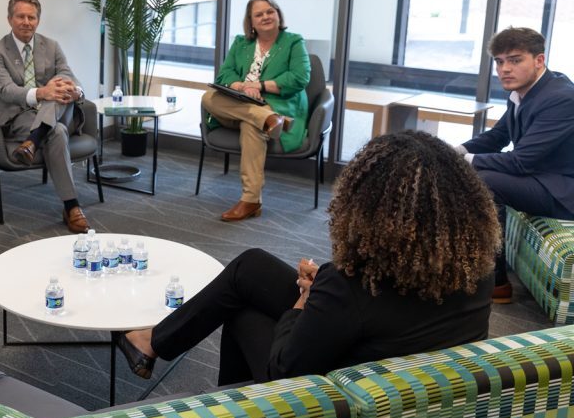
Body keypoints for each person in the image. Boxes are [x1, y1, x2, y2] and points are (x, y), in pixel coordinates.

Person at [117, 131, 498, 387]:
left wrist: (305, 302)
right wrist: (325, 290)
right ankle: (153, 341)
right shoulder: (476, 268)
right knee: (250, 268)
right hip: (397, 367)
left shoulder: (349, 286)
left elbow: (285, 369)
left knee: (241, 310)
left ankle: (238, 412)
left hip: (334, 395)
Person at [457, 27, 574, 303]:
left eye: (515, 60)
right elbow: (498, 136)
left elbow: (521, 161)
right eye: (499, 61)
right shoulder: (524, 91)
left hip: (563, 190)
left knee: (484, 180)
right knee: (475, 171)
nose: (505, 69)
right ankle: (472, 260)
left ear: (539, 60)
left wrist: (464, 160)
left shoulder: (561, 98)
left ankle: (495, 281)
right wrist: (455, 150)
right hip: (543, 178)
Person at [0, 0, 91, 233]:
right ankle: (72, 207)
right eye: (20, 16)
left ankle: (31, 143)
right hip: (18, 117)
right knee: (59, 131)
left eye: (31, 17)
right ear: (9, 19)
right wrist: (43, 93)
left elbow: (69, 76)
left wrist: (76, 92)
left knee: (61, 84)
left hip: (56, 109)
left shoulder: (51, 46)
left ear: (38, 20)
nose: (26, 22)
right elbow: (5, 90)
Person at [200, 0, 311, 221]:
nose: (265, 17)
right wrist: (242, 86)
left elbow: (300, 77)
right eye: (258, 14)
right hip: (240, 104)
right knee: (209, 97)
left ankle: (250, 200)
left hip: (273, 103)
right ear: (251, 22)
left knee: (252, 126)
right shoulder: (241, 43)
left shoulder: (293, 42)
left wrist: (260, 85)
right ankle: (269, 118)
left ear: (278, 14)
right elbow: (225, 74)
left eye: (270, 11)